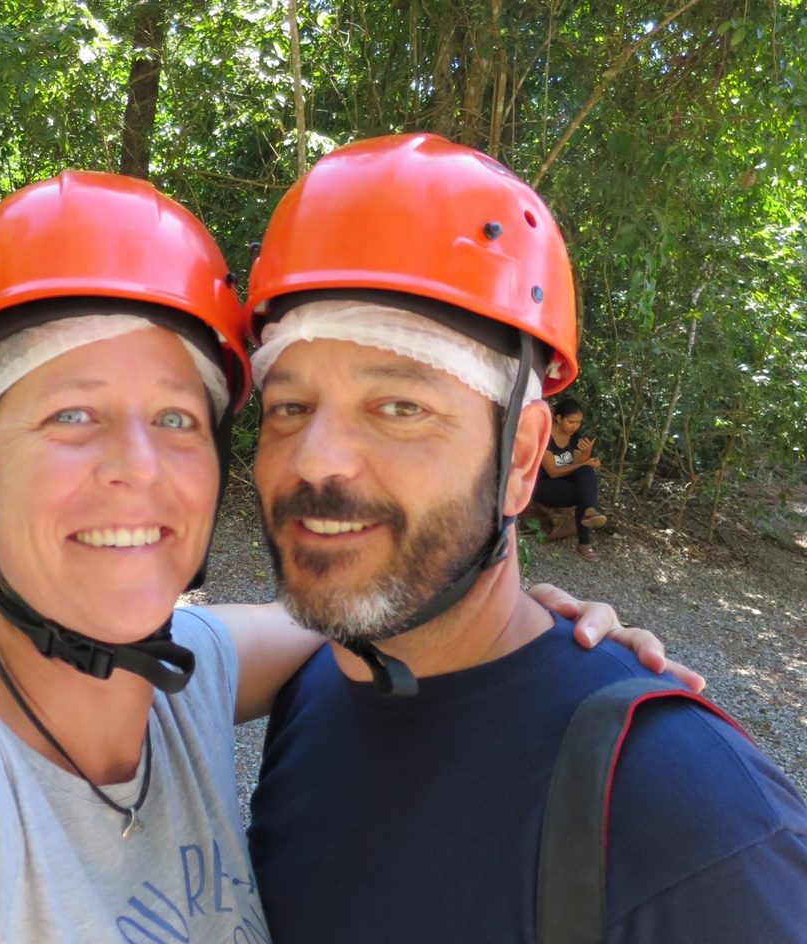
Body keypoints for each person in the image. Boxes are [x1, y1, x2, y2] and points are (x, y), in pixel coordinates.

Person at [0, 170, 670, 942]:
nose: (137, 466)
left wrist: (519, 609)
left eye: (175, 418)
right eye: (72, 415)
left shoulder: (186, 682)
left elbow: (343, 611)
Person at [243, 134, 807, 943]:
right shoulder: (317, 684)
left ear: (520, 459)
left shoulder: (695, 824)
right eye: (289, 406)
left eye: (400, 407)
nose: (314, 458)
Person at [532, 395, 606, 560]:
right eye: (571, 422)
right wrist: (584, 463)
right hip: (543, 486)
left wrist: (586, 455)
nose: (575, 426)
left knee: (586, 477)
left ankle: (589, 513)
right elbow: (553, 472)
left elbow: (578, 465)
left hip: (564, 484)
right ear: (559, 418)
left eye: (578, 422)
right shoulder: (545, 436)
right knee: (585, 493)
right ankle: (585, 543)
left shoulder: (575, 436)